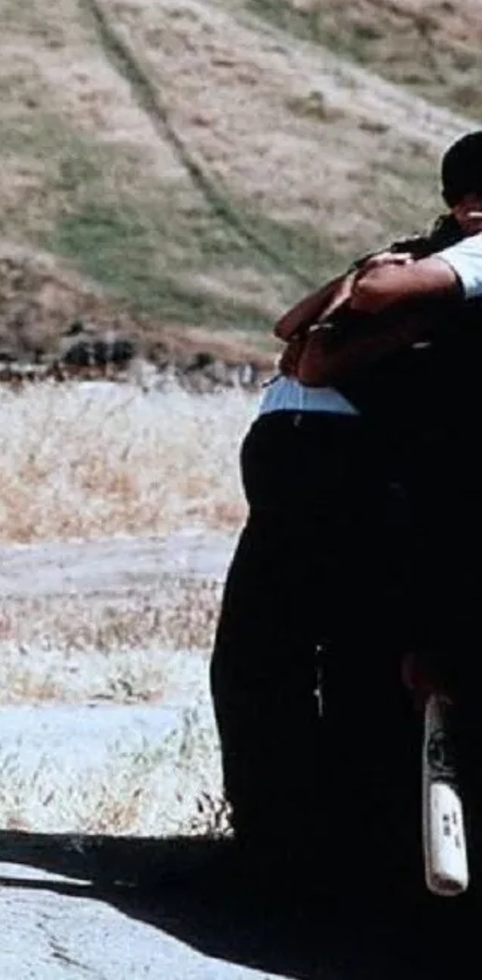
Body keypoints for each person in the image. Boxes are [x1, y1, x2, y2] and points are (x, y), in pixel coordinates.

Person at [217, 131, 482, 900]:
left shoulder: (441, 263)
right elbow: (299, 336)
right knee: (315, 654)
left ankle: (310, 850)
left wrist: (362, 296)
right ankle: (309, 848)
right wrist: (366, 294)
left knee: (310, 656)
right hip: (344, 455)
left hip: (357, 456)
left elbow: (315, 347)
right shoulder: (433, 260)